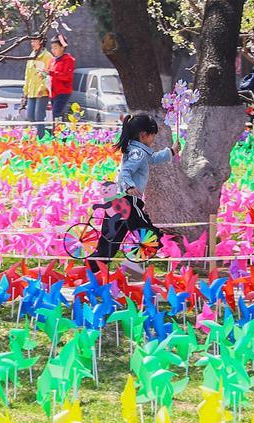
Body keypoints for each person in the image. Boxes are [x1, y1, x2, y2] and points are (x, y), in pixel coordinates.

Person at [87, 114, 178, 272]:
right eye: (153, 136)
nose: (153, 140)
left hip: (115, 200)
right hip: (128, 200)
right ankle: (140, 260)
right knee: (145, 228)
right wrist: (129, 187)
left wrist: (171, 152)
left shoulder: (134, 150)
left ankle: (92, 267)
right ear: (144, 135)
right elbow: (125, 173)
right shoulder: (139, 153)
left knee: (110, 239)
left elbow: (153, 159)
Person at [20, 34, 52, 139]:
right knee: (30, 116)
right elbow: (27, 75)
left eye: (35, 41)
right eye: (32, 41)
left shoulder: (47, 56)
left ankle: (41, 138)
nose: (32, 43)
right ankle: (45, 131)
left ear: (41, 42)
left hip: (42, 92)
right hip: (31, 90)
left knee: (39, 116)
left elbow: (48, 74)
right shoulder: (31, 55)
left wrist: (42, 87)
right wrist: (25, 90)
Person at [45, 36, 75, 135]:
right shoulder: (53, 60)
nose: (53, 50)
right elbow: (50, 74)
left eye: (55, 47)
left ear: (62, 47)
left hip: (63, 91)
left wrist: (52, 73)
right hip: (53, 91)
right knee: (55, 114)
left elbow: (67, 76)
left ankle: (59, 134)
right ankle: (59, 134)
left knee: (57, 113)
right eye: (52, 48)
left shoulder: (68, 60)